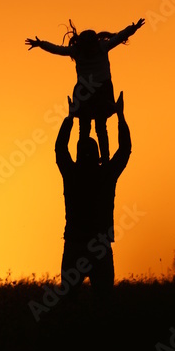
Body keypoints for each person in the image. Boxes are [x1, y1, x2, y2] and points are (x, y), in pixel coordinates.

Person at [26, 17, 143, 162]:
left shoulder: (91, 48)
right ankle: (97, 158)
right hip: (94, 91)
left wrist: (132, 29)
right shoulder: (92, 48)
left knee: (92, 126)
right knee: (94, 126)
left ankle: (96, 158)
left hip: (93, 91)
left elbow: (58, 50)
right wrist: (132, 29)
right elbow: (119, 37)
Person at [54, 90, 131, 299]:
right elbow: (125, 149)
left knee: (67, 304)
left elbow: (60, 148)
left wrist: (70, 118)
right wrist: (120, 116)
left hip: (74, 244)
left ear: (78, 155)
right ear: (98, 157)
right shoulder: (105, 175)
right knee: (104, 304)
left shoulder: (71, 174)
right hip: (100, 247)